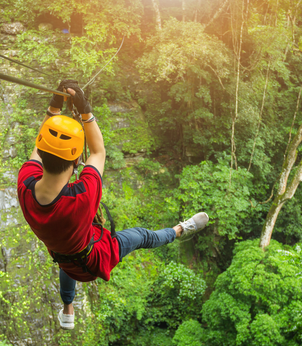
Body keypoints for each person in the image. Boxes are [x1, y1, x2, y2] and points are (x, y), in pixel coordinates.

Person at [16, 79, 209, 329]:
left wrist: (56, 109)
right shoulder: (81, 196)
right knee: (141, 236)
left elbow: (45, 147)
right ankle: (180, 230)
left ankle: (67, 310)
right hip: (94, 259)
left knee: (67, 260)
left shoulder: (25, 184)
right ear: (76, 162)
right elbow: (98, 152)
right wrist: (83, 107)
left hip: (63, 254)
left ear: (41, 154)